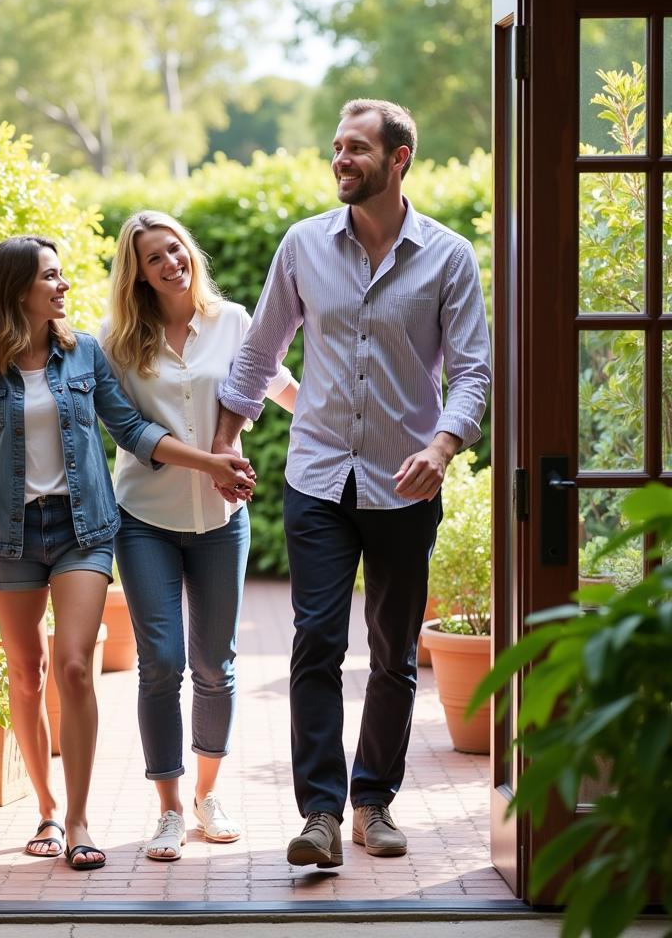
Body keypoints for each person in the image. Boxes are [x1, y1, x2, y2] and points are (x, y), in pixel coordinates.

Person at [213, 99, 491, 869]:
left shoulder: (448, 256)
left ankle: (374, 800)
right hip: (317, 478)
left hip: (406, 484)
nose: (342, 159)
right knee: (316, 643)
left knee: (396, 652)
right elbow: (259, 354)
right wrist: (222, 447)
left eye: (358, 149)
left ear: (398, 159)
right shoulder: (303, 246)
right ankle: (323, 815)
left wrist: (442, 446)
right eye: (337, 147)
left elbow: (473, 371)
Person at [0, 234, 255, 871]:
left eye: (61, 276)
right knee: (27, 672)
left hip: (82, 529)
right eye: (51, 277)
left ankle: (79, 818)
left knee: (72, 666)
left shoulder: (82, 353)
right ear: (17, 291)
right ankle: (42, 806)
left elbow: (131, 429)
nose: (64, 286)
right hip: (7, 535)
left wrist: (208, 461)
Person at [100, 211, 297, 861]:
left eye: (175, 249)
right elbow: (131, 433)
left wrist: (345, 423)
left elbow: (278, 387)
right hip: (144, 519)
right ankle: (168, 809)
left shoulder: (235, 322)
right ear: (138, 274)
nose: (170, 263)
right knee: (161, 662)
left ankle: (208, 797)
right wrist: (212, 462)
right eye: (154, 258)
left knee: (216, 664)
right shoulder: (117, 343)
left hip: (220, 523)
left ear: (191, 252)